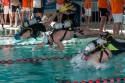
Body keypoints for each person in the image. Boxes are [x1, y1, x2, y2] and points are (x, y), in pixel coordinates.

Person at [32, 20, 107, 51]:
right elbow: (42, 43)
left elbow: (62, 48)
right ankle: (101, 36)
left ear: (49, 39)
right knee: (88, 36)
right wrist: (35, 49)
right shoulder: (51, 35)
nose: (49, 44)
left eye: (48, 42)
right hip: (74, 34)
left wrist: (54, 47)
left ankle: (105, 34)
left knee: (91, 32)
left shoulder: (55, 38)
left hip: (76, 31)